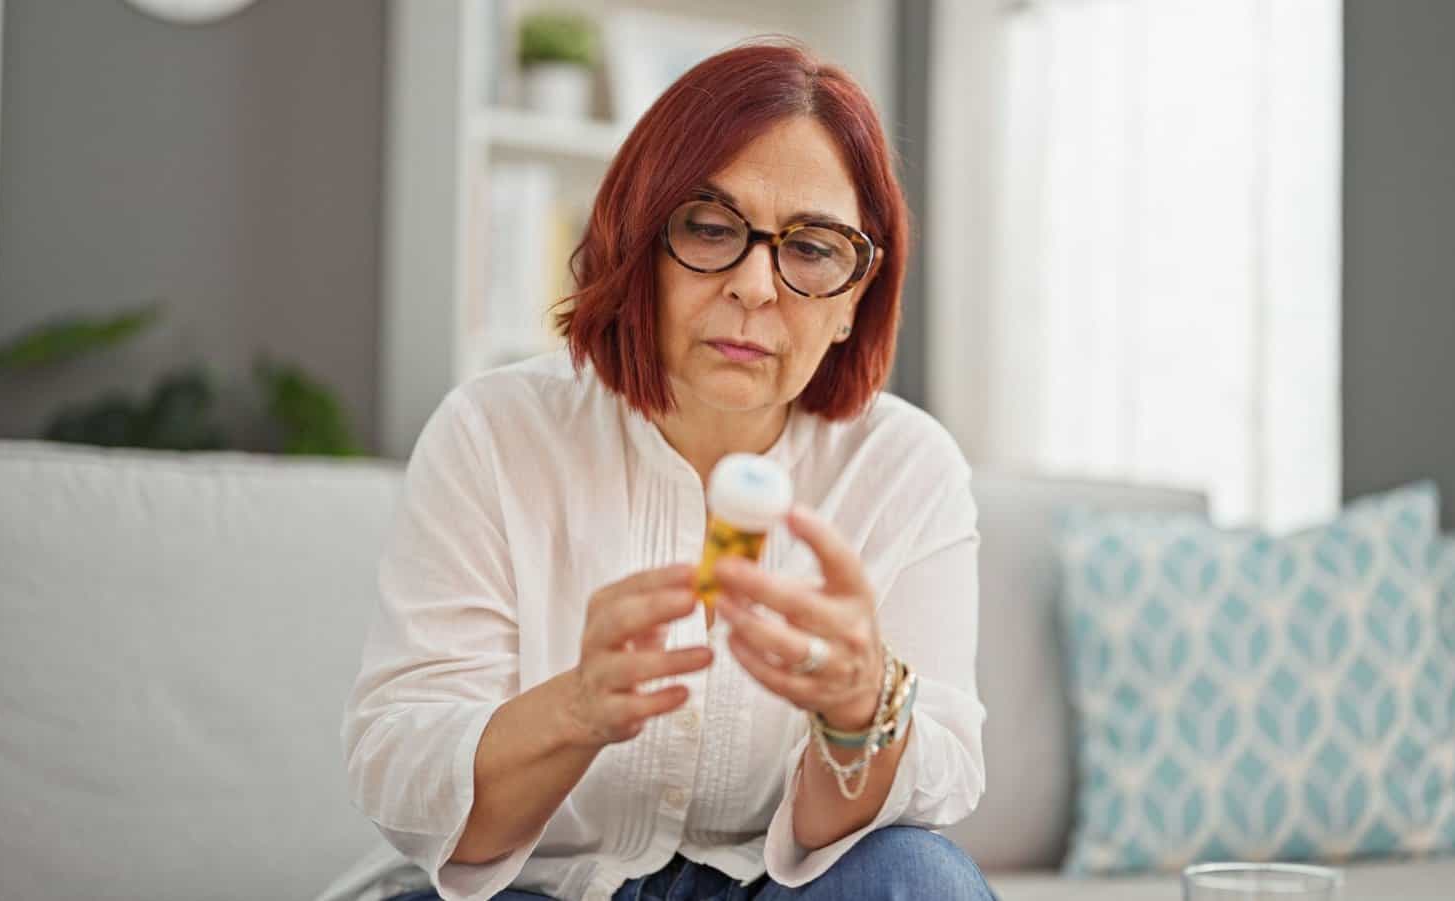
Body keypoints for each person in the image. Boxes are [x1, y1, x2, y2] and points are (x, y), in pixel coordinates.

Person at [314, 38, 994, 901]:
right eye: (710, 229)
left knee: (916, 877)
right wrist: (579, 707)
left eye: (813, 249)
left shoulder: (906, 469)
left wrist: (859, 711)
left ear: (856, 295)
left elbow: (918, 798)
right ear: (642, 243)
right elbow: (401, 771)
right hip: (545, 890)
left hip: (778, 888)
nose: (754, 285)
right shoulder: (494, 433)